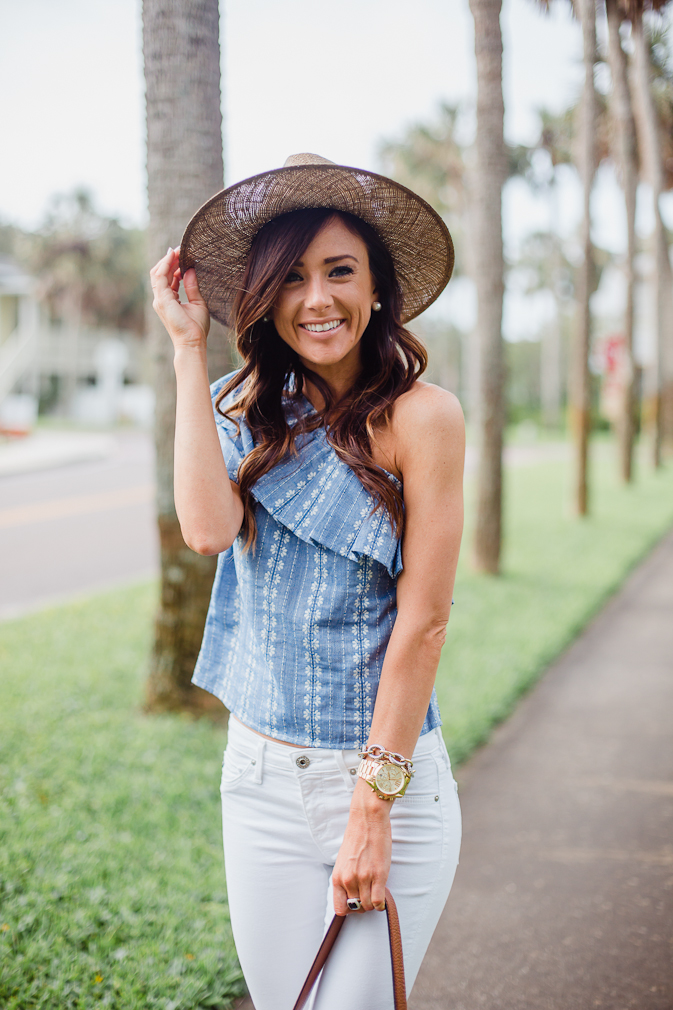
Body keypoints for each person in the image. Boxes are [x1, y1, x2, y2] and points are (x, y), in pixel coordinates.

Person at [150, 154, 465, 1010]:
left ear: (376, 289)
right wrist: (187, 351)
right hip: (257, 780)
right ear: (260, 295)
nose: (316, 299)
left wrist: (372, 805)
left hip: (379, 779)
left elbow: (425, 622)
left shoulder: (422, 417)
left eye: (339, 272)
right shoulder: (236, 406)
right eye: (290, 277)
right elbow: (208, 531)